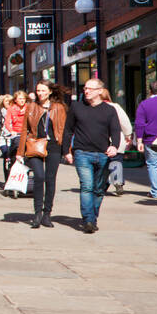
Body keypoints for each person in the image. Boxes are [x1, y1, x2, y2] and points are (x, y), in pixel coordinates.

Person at [63, 79, 122, 234]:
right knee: (87, 186)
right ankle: (88, 219)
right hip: (82, 153)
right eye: (85, 88)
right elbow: (68, 130)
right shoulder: (76, 107)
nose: (86, 91)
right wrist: (67, 151)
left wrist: (114, 146)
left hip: (103, 154)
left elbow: (115, 130)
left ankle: (92, 217)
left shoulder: (109, 110)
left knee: (99, 189)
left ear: (99, 91)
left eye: (90, 88)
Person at [19, 81, 67, 229]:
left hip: (53, 147)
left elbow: (64, 130)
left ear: (50, 92)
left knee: (50, 179)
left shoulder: (59, 108)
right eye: (38, 90)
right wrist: (20, 152)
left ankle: (47, 214)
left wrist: (67, 151)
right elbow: (24, 129)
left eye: (43, 90)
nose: (40, 93)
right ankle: (37, 213)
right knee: (39, 176)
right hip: (35, 145)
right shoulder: (31, 107)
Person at [133, 81, 157, 200]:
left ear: (150, 91)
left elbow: (139, 124)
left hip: (150, 139)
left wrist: (139, 140)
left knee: (153, 165)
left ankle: (156, 192)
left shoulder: (144, 104)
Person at [99, 87, 133, 198]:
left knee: (102, 165)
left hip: (99, 141)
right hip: (116, 139)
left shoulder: (95, 108)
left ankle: (102, 185)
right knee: (116, 162)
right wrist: (128, 135)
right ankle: (118, 182)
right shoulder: (115, 107)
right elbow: (125, 122)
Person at [0, 90, 28, 181]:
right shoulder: (11, 109)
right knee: (15, 146)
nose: (22, 100)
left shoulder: (28, 108)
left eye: (24, 98)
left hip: (26, 133)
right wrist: (11, 131)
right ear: (15, 100)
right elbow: (7, 123)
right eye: (20, 99)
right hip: (16, 134)